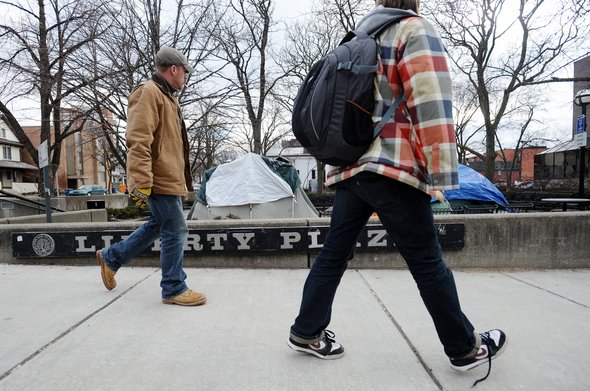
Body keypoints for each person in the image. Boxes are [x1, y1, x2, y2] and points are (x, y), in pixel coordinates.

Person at [287, 0, 506, 386]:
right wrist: (441, 177)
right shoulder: (412, 30)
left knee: (334, 254)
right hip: (393, 167)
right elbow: (431, 104)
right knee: (427, 261)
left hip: (352, 169)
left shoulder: (360, 35)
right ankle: (465, 349)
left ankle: (307, 331)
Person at [96, 46, 206, 307]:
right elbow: (138, 140)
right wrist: (142, 181)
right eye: (185, 73)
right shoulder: (148, 93)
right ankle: (173, 287)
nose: (186, 78)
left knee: (160, 225)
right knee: (177, 228)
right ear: (174, 69)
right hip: (157, 178)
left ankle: (111, 257)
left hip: (168, 177)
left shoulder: (167, 97)